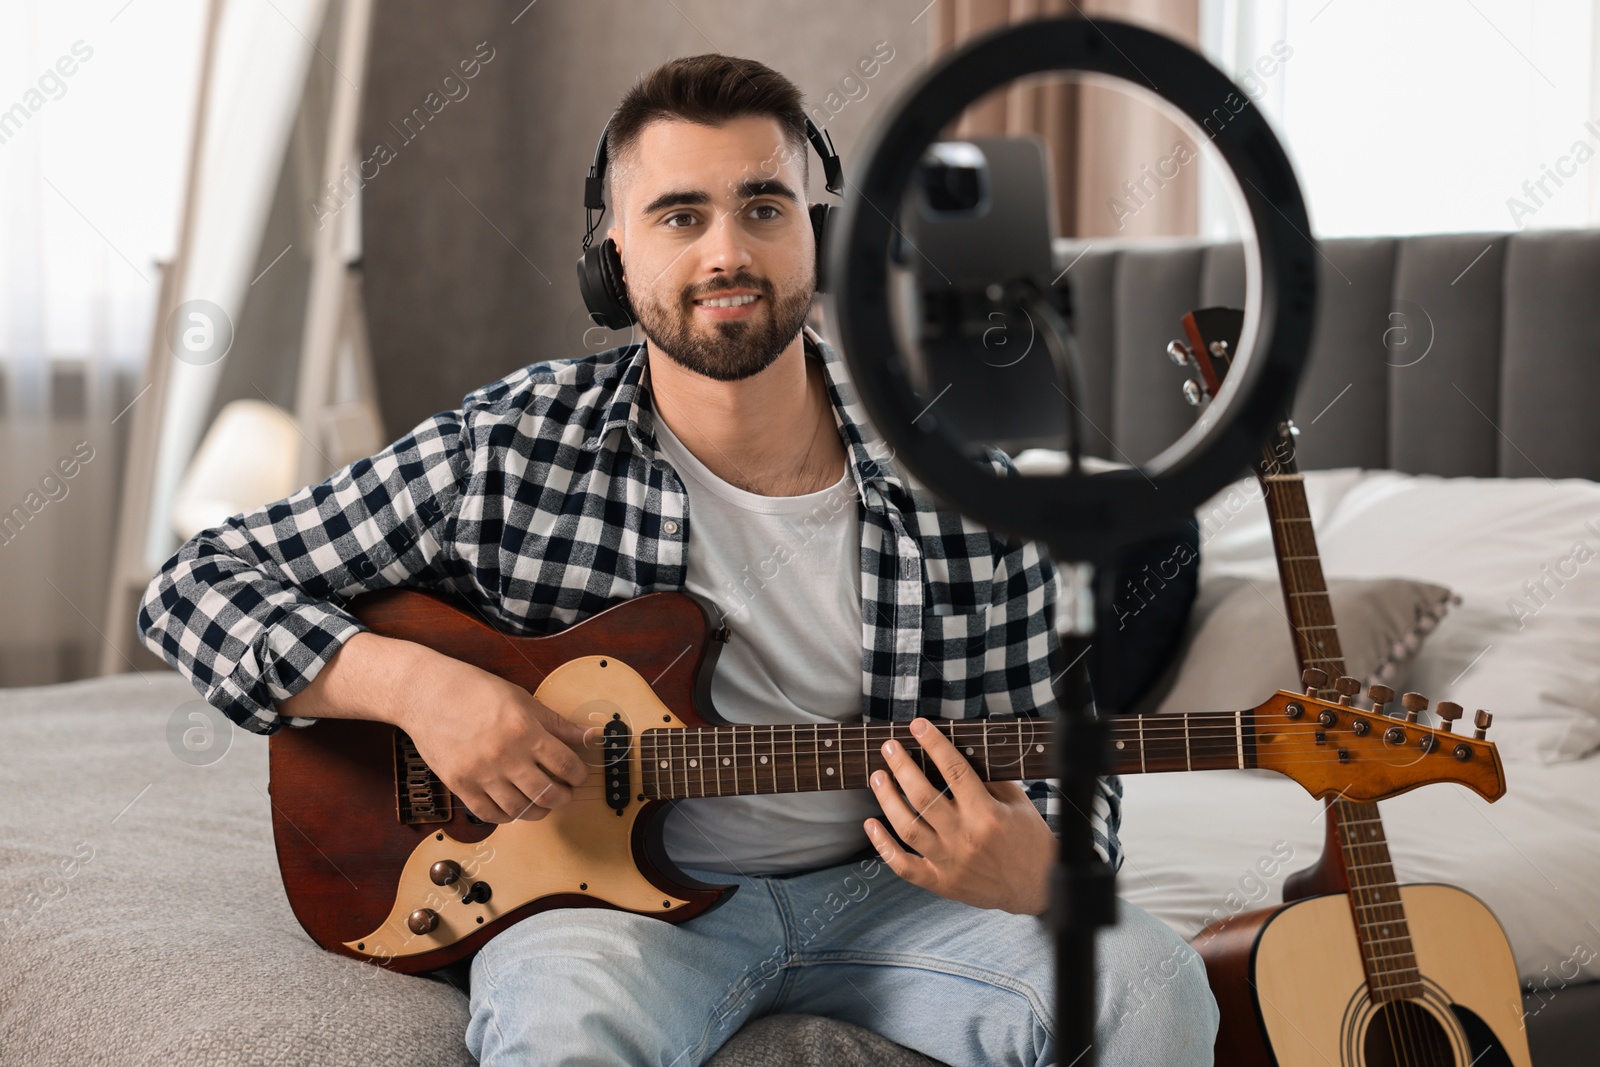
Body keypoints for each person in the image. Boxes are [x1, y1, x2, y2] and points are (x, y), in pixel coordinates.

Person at [137, 52, 1218, 1067]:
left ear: (819, 234)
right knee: (561, 1031)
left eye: (762, 206)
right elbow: (198, 585)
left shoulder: (962, 482)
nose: (726, 253)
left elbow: (1058, 752)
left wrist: (1047, 870)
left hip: (890, 898)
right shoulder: (510, 444)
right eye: (679, 214)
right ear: (612, 254)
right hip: (596, 909)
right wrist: (419, 687)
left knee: (1148, 975)